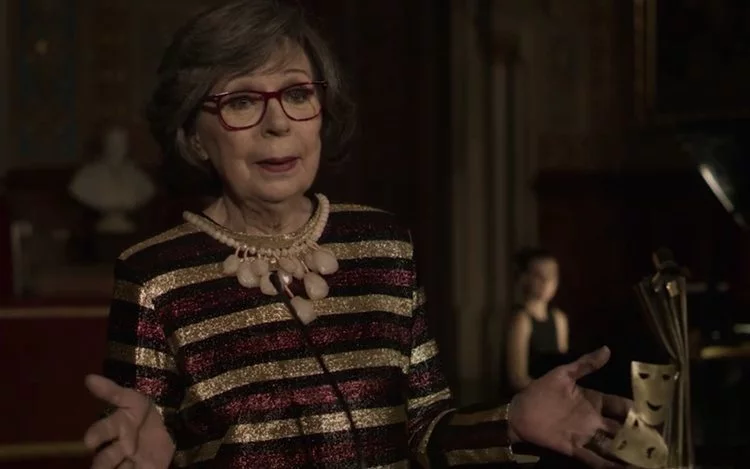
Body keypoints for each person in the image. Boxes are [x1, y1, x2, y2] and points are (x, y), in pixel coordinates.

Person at [82, 1, 630, 468]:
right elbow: (135, 441)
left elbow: (423, 430)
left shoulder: (385, 246)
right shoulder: (154, 277)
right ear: (194, 136)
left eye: (298, 93)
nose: (279, 123)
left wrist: (510, 420)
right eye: (241, 102)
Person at [505, 248, 570, 393]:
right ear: (524, 278)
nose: (547, 281)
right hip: (527, 397)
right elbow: (517, 379)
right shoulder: (521, 320)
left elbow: (561, 367)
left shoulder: (559, 319)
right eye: (539, 275)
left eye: (552, 275)